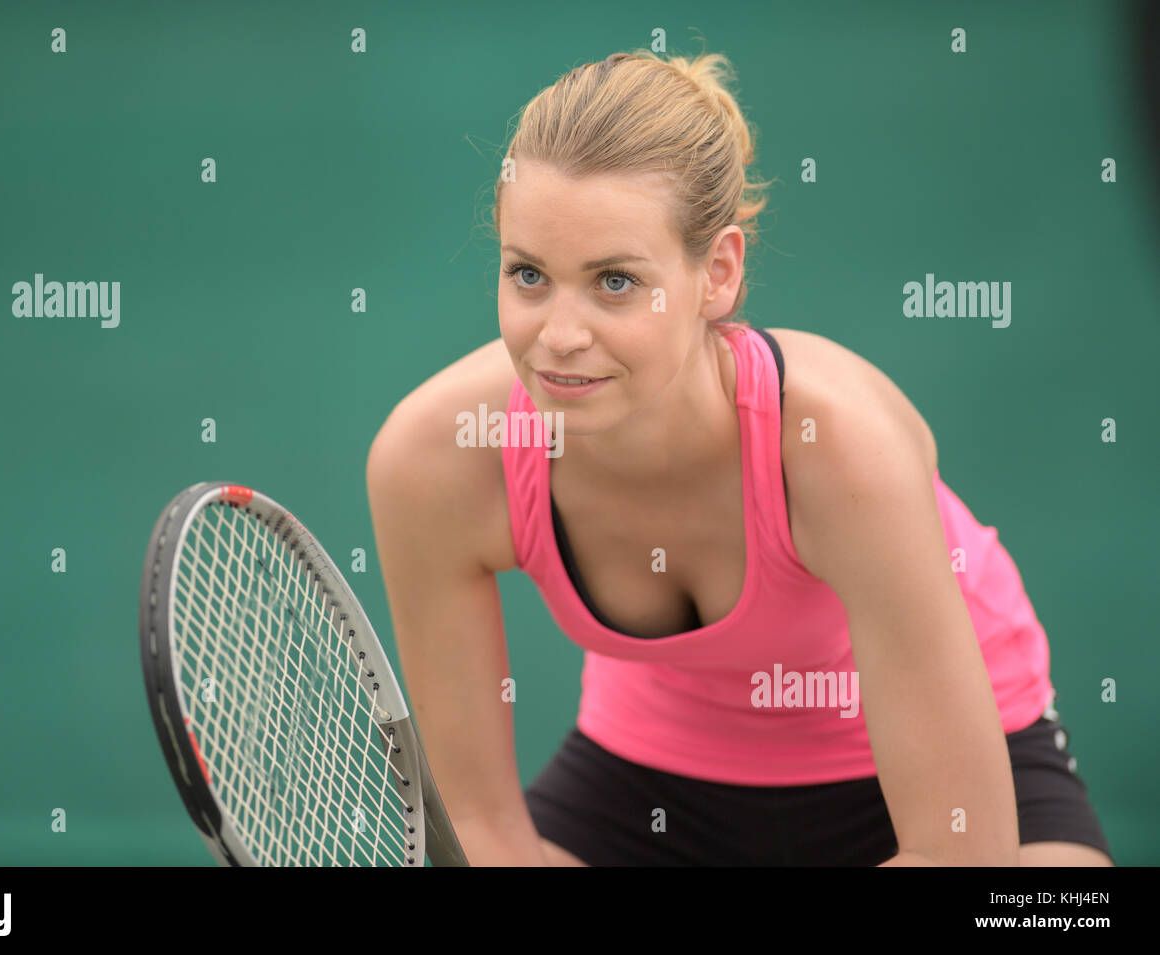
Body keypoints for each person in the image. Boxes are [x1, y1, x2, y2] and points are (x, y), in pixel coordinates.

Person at [365, 49, 1113, 866]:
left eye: (615, 281)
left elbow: (958, 857)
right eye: (529, 275)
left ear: (716, 274)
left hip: (947, 791)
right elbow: (481, 830)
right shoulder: (435, 460)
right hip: (652, 781)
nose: (561, 335)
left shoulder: (842, 447)